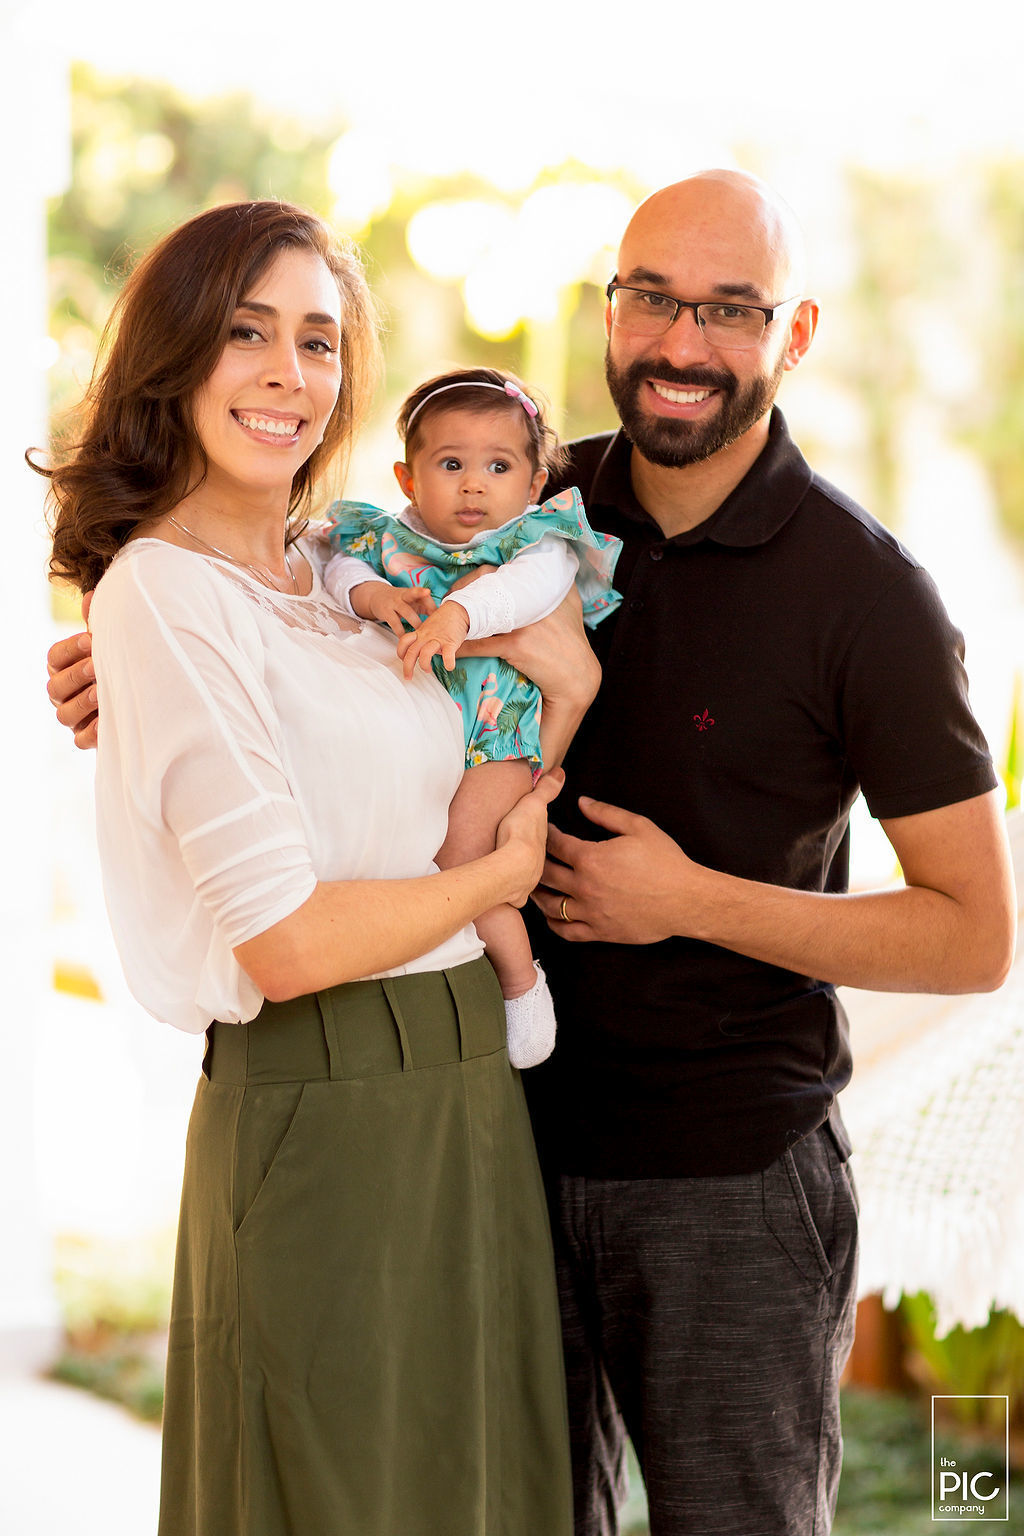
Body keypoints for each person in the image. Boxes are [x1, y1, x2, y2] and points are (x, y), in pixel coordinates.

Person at [47, 173, 1018, 1536]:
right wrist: (125, 674)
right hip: (497, 1144)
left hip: (725, 1180)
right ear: (610, 310)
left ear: (792, 335)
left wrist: (692, 901)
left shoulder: (868, 595)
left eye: (730, 310)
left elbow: (973, 937)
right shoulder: (519, 503)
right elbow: (292, 613)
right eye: (654, 299)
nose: (683, 343)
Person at [37, 199, 586, 1536]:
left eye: (322, 340)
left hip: (464, 1090)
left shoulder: (334, 560)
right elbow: (282, 940)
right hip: (325, 1103)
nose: (292, 374)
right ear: (174, 358)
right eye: (247, 334)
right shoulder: (160, 597)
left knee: (480, 1495)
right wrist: (493, 884)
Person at [321, 365, 622, 1067]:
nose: (474, 484)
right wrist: (370, 597)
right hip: (413, 738)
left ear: (533, 483)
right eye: (450, 464)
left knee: (464, 862)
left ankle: (520, 985)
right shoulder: (386, 541)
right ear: (406, 478)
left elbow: (529, 592)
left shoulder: (532, 544)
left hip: (495, 738)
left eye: (498, 465)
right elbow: (335, 567)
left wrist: (459, 612)